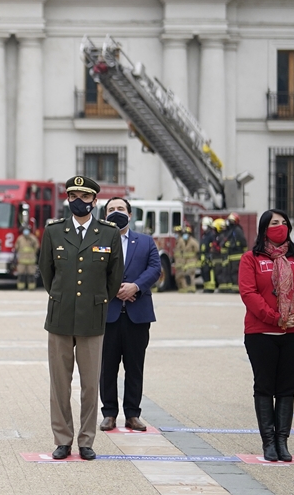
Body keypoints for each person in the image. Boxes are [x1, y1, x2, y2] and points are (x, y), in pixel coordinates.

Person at [37, 176, 123, 461]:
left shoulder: (108, 233)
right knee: (59, 383)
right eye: (73, 195)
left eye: (85, 197)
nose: (78, 201)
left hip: (92, 318)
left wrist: (97, 301)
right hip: (60, 317)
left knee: (89, 385)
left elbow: (114, 278)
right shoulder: (54, 231)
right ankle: (62, 439)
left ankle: (86, 440)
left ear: (94, 201)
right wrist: (63, 297)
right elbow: (47, 274)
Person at [238, 209, 294, 462]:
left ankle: (282, 441)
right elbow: (249, 294)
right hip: (261, 332)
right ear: (264, 228)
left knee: (286, 387)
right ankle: (268, 442)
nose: (280, 227)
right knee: (264, 386)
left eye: (284, 223)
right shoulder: (251, 258)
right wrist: (275, 317)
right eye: (275, 223)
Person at [99, 197, 161, 433]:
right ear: (105, 216)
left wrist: (135, 286)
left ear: (130, 214)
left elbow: (155, 268)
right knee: (107, 367)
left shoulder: (145, 242)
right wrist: (116, 289)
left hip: (138, 315)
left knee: (135, 366)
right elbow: (93, 272)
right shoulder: (98, 242)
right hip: (108, 315)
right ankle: (109, 413)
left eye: (120, 209)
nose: (116, 212)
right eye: (111, 209)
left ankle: (133, 414)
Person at [218, 214, 247, 292]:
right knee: (231, 272)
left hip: (237, 255)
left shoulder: (237, 230)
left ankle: (237, 289)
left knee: (235, 272)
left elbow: (243, 242)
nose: (229, 222)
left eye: (231, 221)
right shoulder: (231, 230)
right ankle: (233, 288)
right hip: (231, 255)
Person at [174, 225, 200, 293]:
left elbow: (197, 251)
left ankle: (192, 289)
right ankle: (187, 288)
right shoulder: (183, 241)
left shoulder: (193, 242)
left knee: (190, 276)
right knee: (186, 276)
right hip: (185, 262)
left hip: (192, 262)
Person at [15, 225, 40, 290]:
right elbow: (16, 247)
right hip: (22, 261)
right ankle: (20, 287)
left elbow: (37, 247)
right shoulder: (20, 239)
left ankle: (31, 288)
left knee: (31, 275)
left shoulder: (33, 239)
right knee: (21, 275)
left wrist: (32, 253)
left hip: (31, 260)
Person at [199, 217, 217, 292]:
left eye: (205, 225)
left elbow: (213, 245)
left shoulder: (211, 235)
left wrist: (210, 254)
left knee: (209, 272)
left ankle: (210, 288)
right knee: (203, 273)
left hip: (208, 257)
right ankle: (206, 287)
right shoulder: (204, 235)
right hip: (203, 257)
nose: (203, 227)